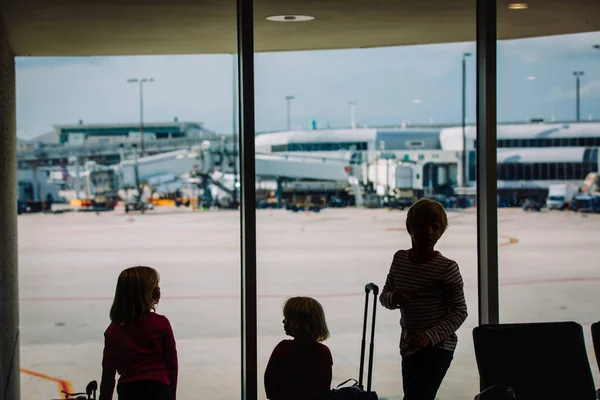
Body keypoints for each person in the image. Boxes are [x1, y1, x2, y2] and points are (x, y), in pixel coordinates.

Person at [379, 198, 468, 400]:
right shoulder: (400, 259)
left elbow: (460, 311)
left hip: (439, 347)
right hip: (409, 345)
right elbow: (385, 296)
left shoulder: (447, 268)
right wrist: (395, 297)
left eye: (435, 227)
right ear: (410, 228)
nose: (429, 231)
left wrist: (430, 335)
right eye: (422, 226)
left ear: (441, 232)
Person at [99, 266, 178, 400]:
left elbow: (108, 374)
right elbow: (172, 365)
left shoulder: (113, 330)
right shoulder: (161, 323)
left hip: (128, 391)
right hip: (158, 389)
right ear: (149, 293)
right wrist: (172, 396)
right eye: (156, 286)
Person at [264, 297, 333, 400]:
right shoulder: (323, 352)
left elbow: (270, 386)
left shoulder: (283, 349)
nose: (283, 321)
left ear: (299, 323)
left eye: (287, 318)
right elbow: (323, 390)